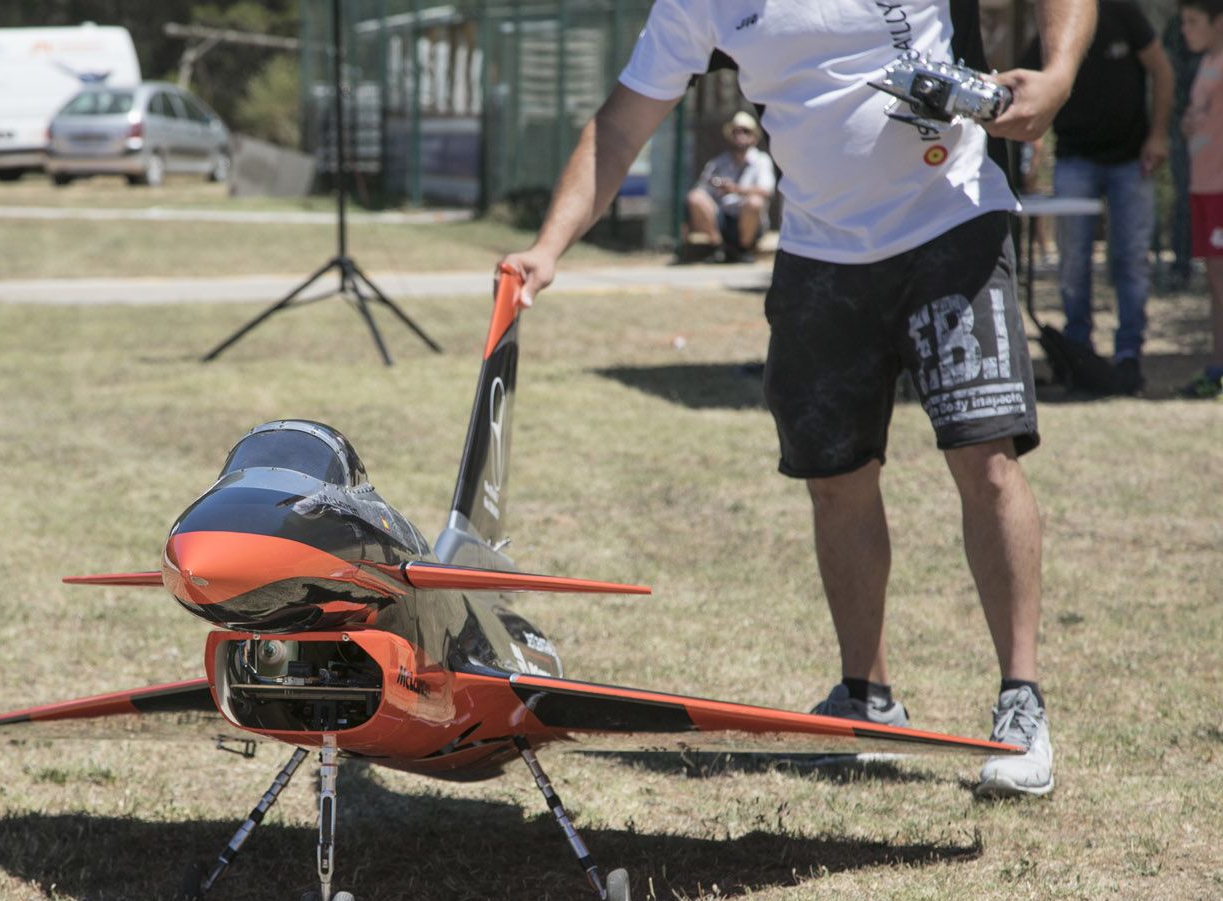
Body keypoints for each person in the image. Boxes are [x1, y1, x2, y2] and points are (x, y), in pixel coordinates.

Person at [502, 0, 1095, 798]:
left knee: (984, 457)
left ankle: (1021, 705)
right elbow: (621, 124)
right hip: (819, 252)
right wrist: (548, 246)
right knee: (836, 477)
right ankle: (869, 698)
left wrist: (1055, 79)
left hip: (952, 218)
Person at [1023, 1, 1174, 395]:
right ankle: (1078, 356)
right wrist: (1031, 148)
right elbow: (1027, 85)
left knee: (1130, 260)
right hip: (1075, 158)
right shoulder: (1050, 25)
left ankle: (1128, 358)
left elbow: (1162, 70)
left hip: (1130, 158)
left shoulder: (1123, 13)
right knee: (1072, 261)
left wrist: (1158, 135)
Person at [1177, 0, 1223, 398]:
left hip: (1220, 188)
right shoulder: (1207, 62)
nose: (1185, 30)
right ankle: (1217, 365)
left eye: (1193, 22)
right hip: (1204, 185)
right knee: (1215, 281)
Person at [683, 110, 775, 263]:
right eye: (736, 131)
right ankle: (718, 247)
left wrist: (736, 189)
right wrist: (715, 187)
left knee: (754, 202)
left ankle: (742, 249)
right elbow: (701, 188)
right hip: (721, 217)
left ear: (753, 136)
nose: (740, 135)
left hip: (748, 220)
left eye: (745, 131)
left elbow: (766, 190)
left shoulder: (761, 160)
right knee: (695, 197)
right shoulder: (718, 162)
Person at [1164, 10, 1207, 287]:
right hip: (1185, 129)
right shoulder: (1176, 26)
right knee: (1186, 199)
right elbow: (1169, 75)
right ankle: (1182, 265)